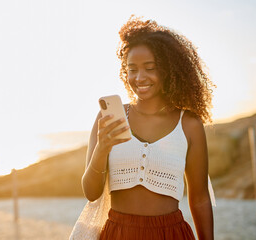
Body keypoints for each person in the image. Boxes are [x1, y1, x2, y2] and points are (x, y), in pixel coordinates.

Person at [80, 16, 215, 239]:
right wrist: (102, 148)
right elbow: (91, 193)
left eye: (150, 68)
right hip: (118, 233)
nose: (140, 77)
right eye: (132, 69)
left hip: (170, 234)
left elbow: (200, 198)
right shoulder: (108, 119)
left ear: (168, 70)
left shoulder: (189, 125)